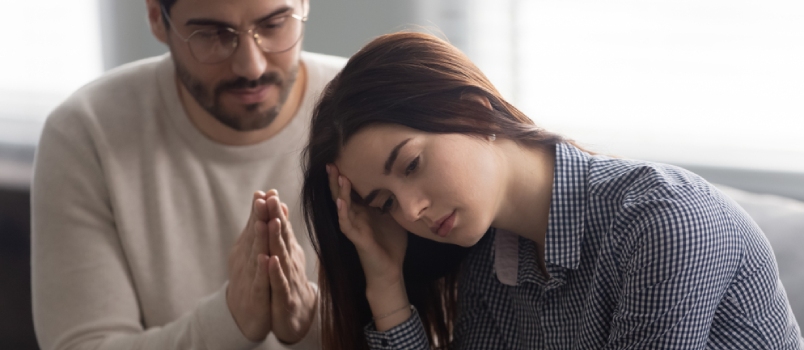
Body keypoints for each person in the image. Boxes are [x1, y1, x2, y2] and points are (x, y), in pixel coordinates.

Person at [301, 32, 804, 350]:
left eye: (411, 165)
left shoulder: (663, 219)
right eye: (387, 203)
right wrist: (386, 284)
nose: (411, 211)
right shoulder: (490, 271)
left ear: (473, 112)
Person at [31, 0, 346, 349]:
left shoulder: (368, 110)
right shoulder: (86, 133)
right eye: (212, 34)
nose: (251, 66)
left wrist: (315, 319)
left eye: (274, 25)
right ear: (157, 18)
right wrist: (229, 321)